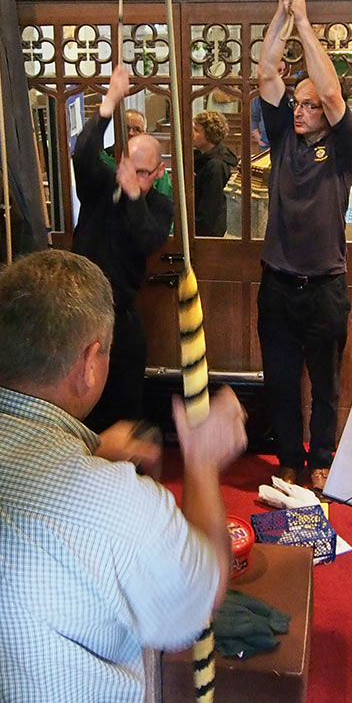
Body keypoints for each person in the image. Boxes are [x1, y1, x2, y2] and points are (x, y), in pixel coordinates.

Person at [0, 250, 248, 703]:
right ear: (89, 362)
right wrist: (203, 463)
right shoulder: (115, 505)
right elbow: (200, 592)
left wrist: (87, 457)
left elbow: (0, 490)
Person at [256, 0, 352, 491]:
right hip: (276, 282)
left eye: (307, 105)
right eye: (295, 104)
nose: (299, 110)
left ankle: (322, 455)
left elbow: (333, 94)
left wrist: (305, 23)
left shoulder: (345, 145)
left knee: (324, 383)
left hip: (323, 286)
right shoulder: (281, 140)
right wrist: (281, 11)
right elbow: (266, 72)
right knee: (279, 380)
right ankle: (290, 459)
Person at [72, 62, 175, 432]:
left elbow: (148, 238)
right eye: (128, 165)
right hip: (82, 311)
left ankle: (126, 475)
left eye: (142, 172)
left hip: (122, 315)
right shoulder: (100, 185)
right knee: (81, 398)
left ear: (158, 172)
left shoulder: (159, 205)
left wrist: (134, 194)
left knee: (127, 399)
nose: (130, 174)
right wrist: (110, 100)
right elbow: (82, 152)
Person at [102, 106, 174, 199]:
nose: (130, 133)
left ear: (144, 134)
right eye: (126, 128)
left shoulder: (155, 166)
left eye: (137, 129)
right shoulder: (103, 161)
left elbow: (165, 199)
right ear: (117, 130)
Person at [193, 109, 238, 237]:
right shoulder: (201, 158)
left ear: (209, 135)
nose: (191, 134)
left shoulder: (216, 165)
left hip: (208, 234)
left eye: (196, 130)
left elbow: (211, 208)